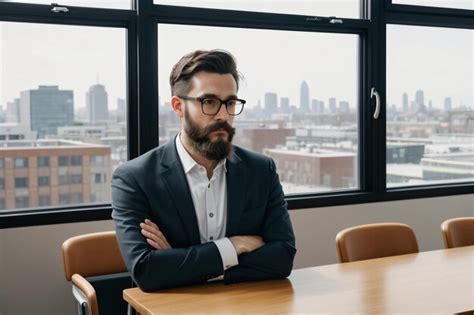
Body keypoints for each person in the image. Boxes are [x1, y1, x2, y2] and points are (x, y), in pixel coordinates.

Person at [112, 49, 296, 292]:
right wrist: (233, 246)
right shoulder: (134, 178)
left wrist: (181, 263)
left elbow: (282, 258)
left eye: (230, 102)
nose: (223, 115)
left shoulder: (261, 170)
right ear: (178, 106)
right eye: (209, 102)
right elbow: (147, 271)